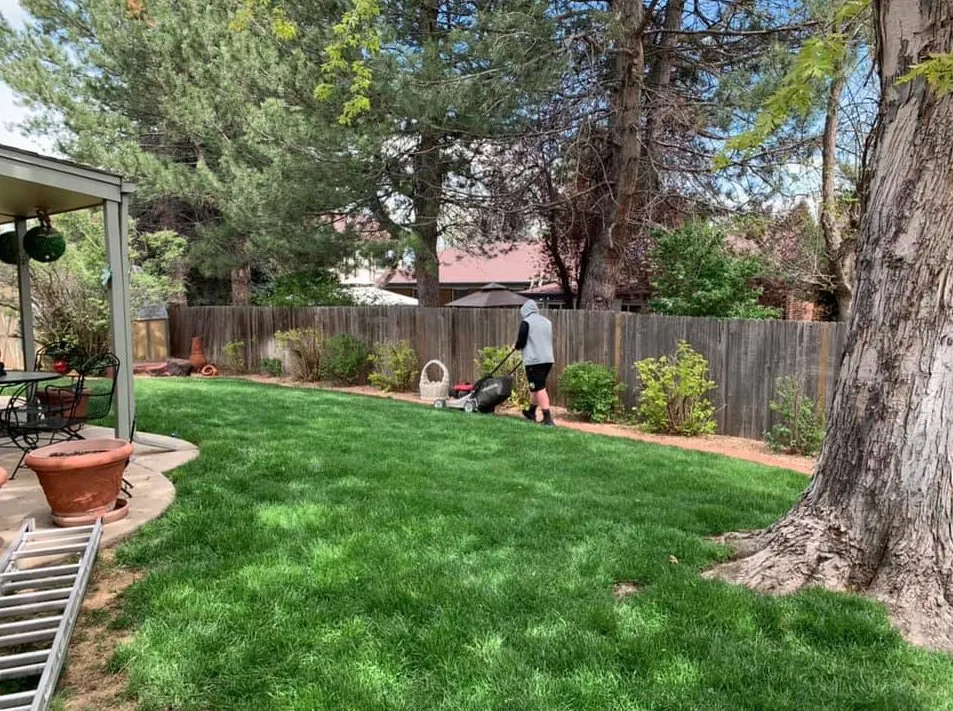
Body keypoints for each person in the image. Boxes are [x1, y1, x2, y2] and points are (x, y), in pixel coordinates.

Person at [514, 300, 555, 426]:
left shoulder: (527, 322)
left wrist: (516, 346)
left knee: (539, 387)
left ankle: (547, 418)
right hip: (548, 359)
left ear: (524, 311)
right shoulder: (547, 322)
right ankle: (531, 412)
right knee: (535, 386)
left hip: (534, 360)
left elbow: (521, 341)